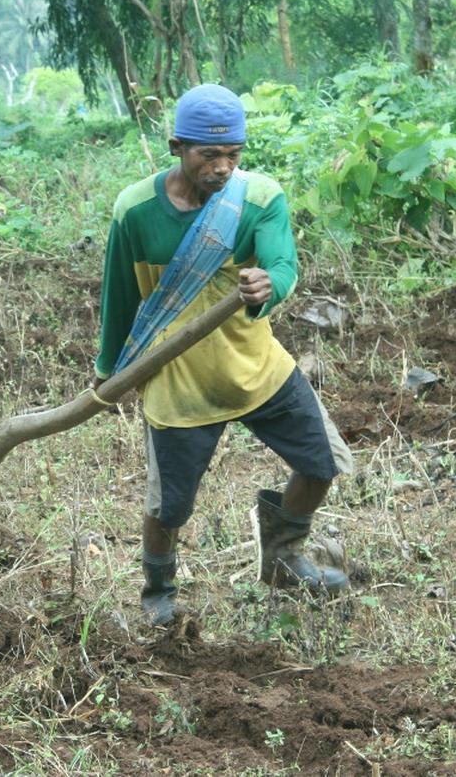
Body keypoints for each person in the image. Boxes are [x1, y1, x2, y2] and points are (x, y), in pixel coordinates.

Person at [92, 84, 354, 627]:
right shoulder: (136, 212)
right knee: (169, 508)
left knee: (321, 463)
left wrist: (268, 284)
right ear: (176, 147)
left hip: (257, 369)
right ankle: (157, 590)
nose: (222, 167)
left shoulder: (258, 200)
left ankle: (283, 557)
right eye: (208, 154)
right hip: (180, 383)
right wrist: (107, 373)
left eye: (233, 154)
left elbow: (284, 266)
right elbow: (117, 298)